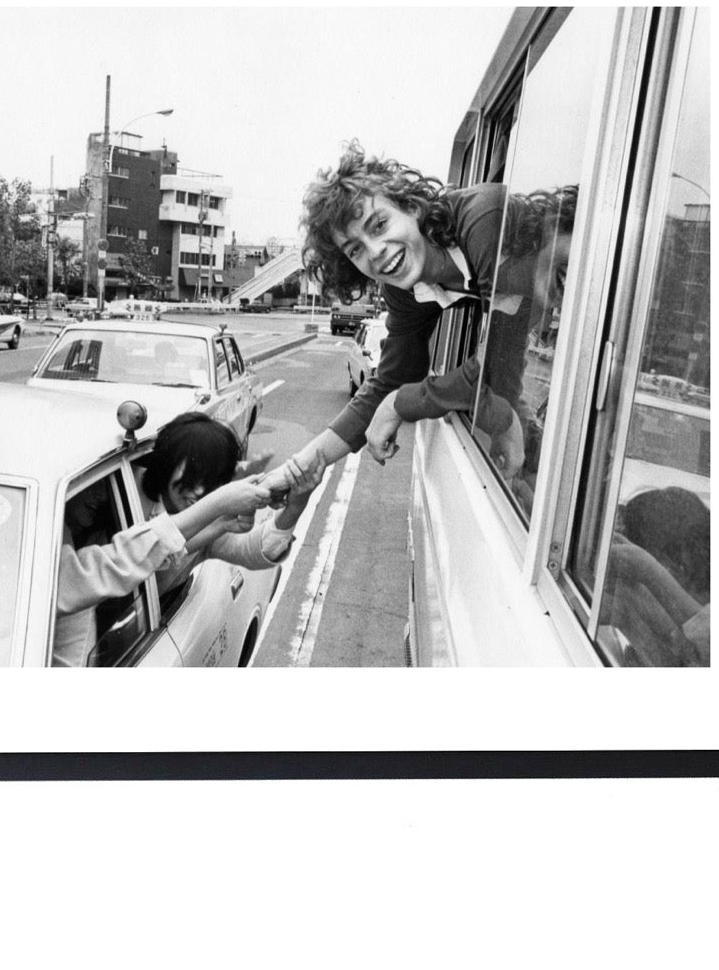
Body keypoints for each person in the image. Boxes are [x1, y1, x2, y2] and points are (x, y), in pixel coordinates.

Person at [265, 143, 575, 505]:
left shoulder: (483, 218)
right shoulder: (407, 291)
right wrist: (302, 466)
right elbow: (391, 380)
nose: (376, 250)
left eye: (379, 225)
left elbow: (489, 369)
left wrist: (403, 403)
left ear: (412, 207)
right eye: (356, 249)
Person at [53, 412, 303, 667]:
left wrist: (294, 508)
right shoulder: (115, 486)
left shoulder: (210, 520)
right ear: (166, 464)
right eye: (191, 477)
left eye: (210, 482)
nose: (199, 490)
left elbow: (254, 549)